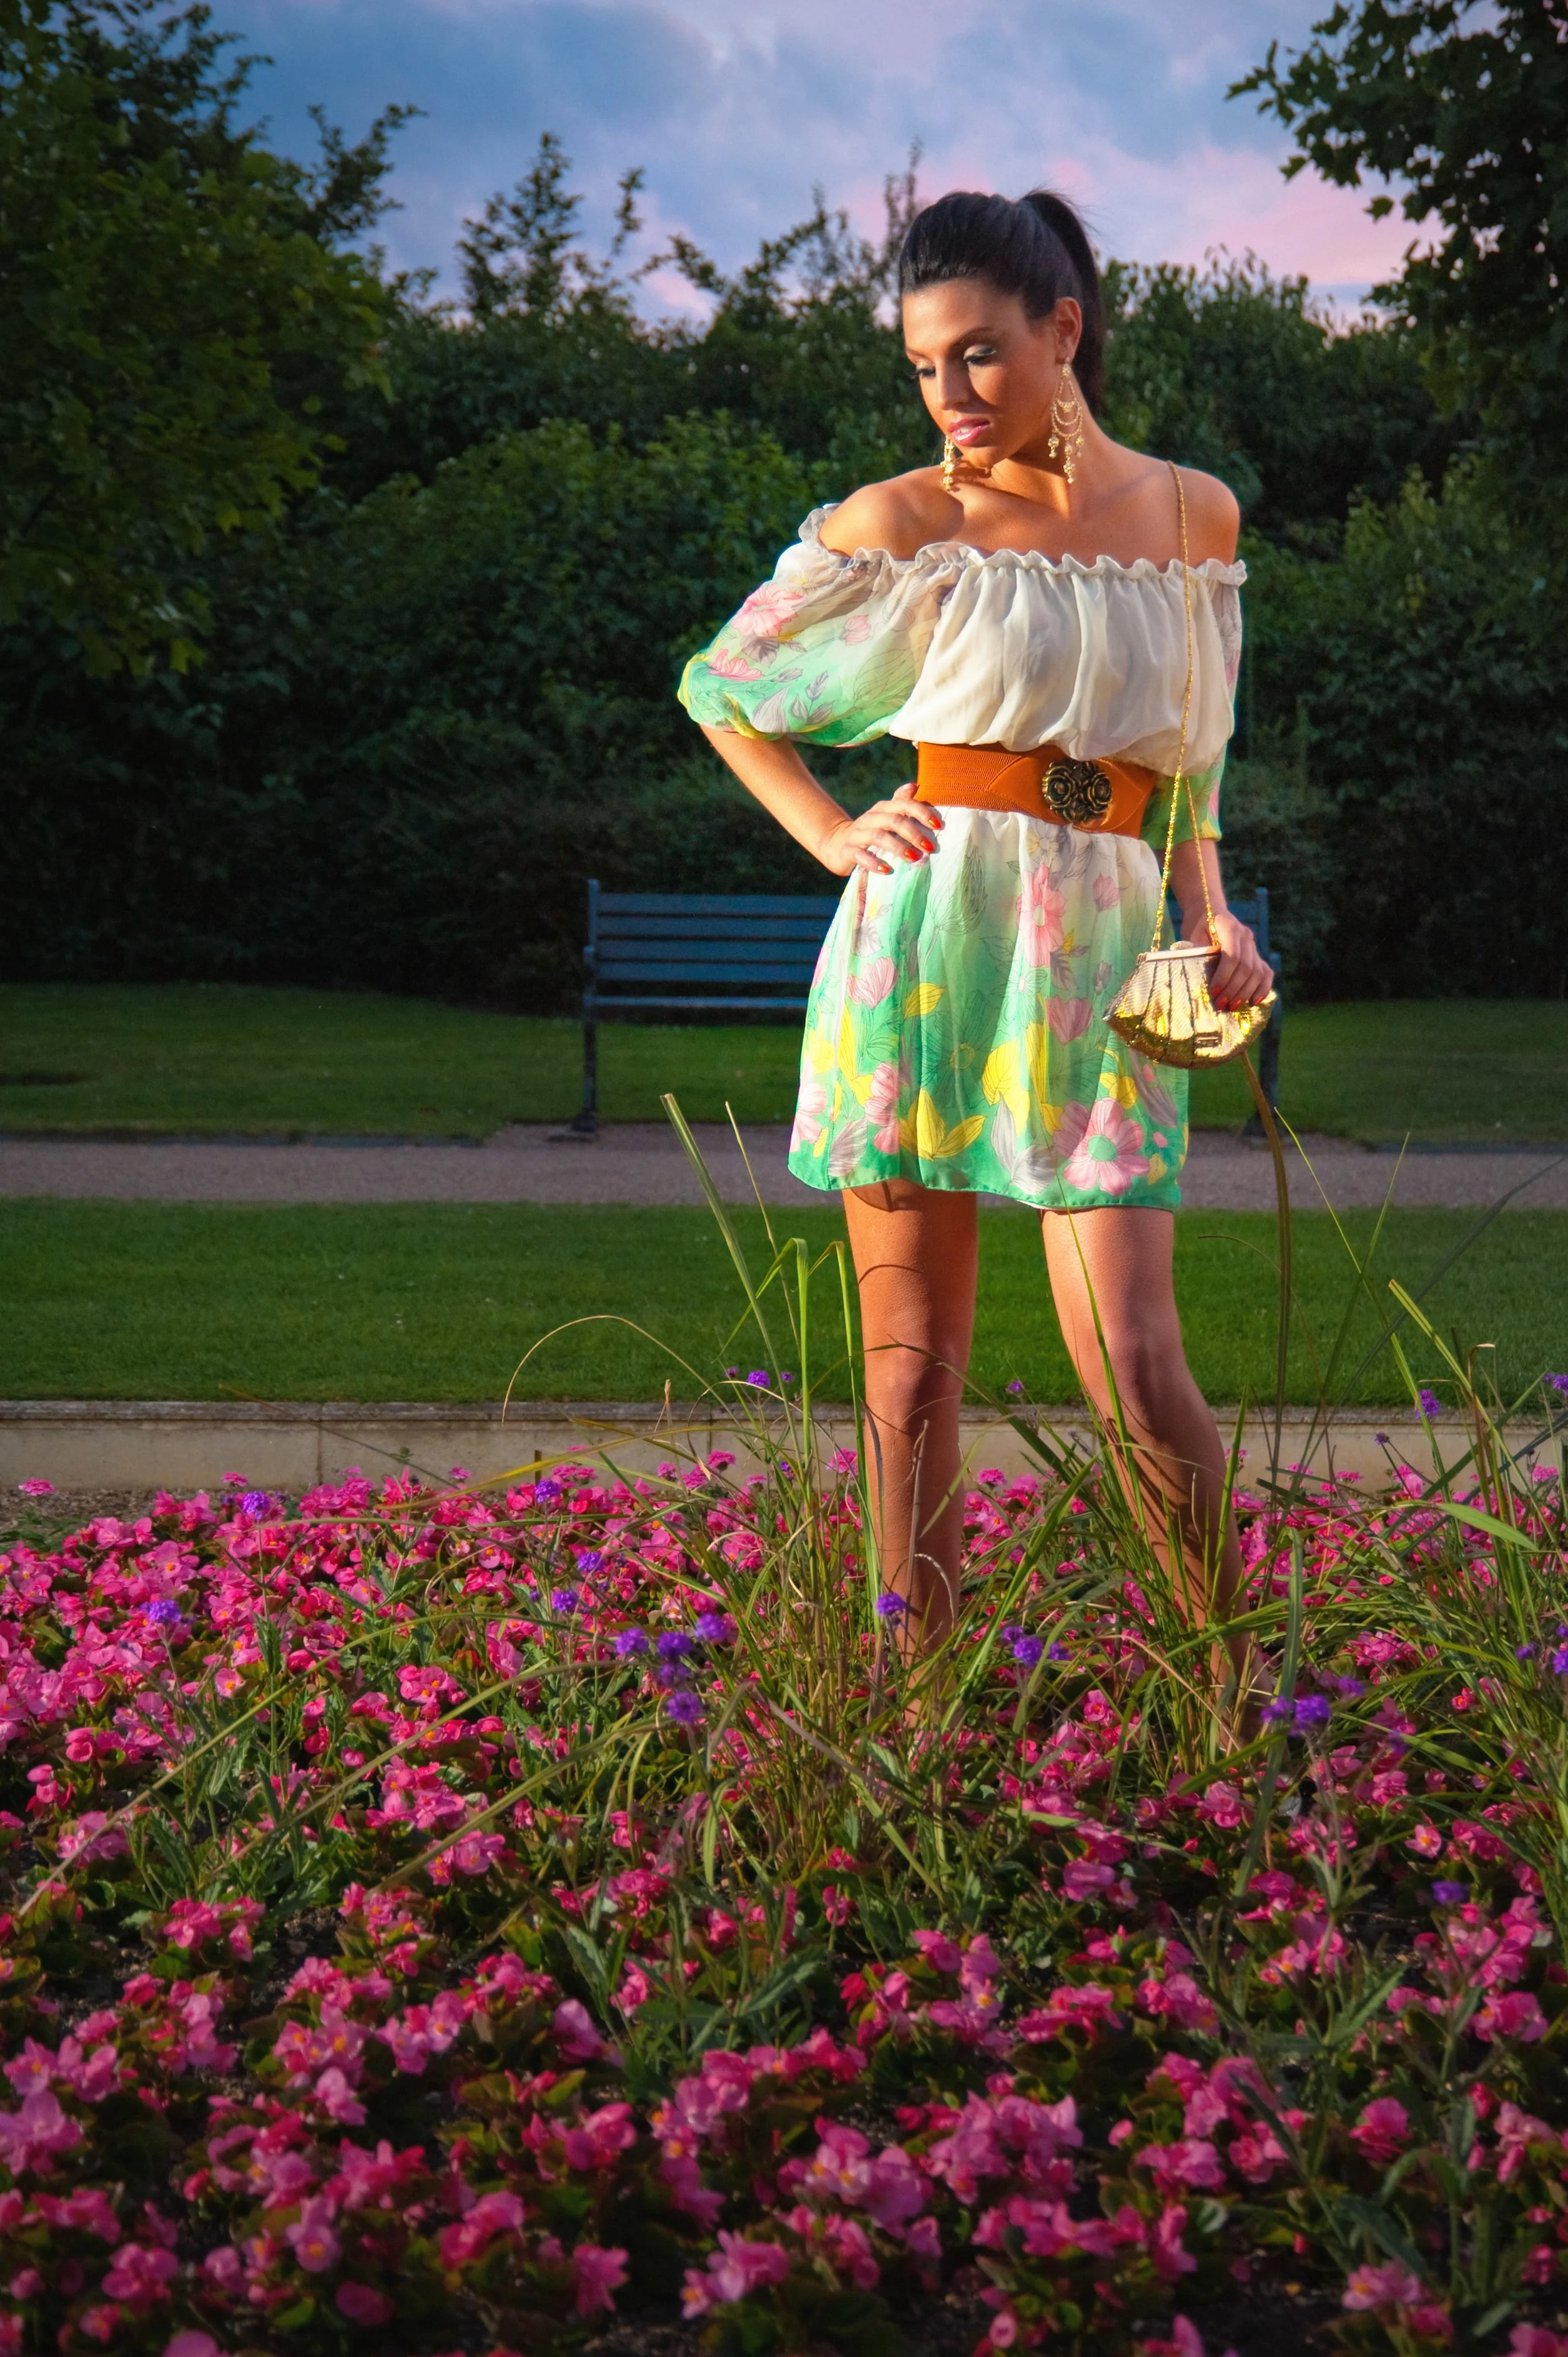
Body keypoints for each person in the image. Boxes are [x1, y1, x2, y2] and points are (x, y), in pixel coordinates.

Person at [677, 187, 1275, 1700]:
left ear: (1062, 330)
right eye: (922, 367)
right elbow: (724, 685)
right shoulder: (910, 522)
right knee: (908, 1366)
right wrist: (828, 834)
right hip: (926, 938)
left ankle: (1230, 1697)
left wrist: (1209, 913)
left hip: (1112, 956)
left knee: (1136, 1351)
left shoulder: (1194, 515)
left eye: (979, 357)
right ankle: (913, 1707)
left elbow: (1185, 767)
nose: (947, 397)